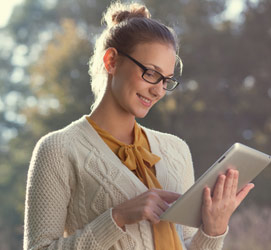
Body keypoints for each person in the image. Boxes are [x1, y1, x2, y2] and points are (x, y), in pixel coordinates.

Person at [23, 2, 254, 250]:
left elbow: (186, 243)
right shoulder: (57, 149)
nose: (158, 90)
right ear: (111, 61)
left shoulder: (176, 150)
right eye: (151, 73)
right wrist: (117, 218)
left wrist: (213, 229)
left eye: (166, 80)